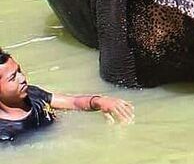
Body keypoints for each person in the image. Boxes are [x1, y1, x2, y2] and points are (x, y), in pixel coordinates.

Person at [0, 48, 134, 143]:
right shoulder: (4, 134)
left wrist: (99, 101)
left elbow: (73, 102)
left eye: (19, 70)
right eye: (13, 78)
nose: (22, 78)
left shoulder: (33, 94)